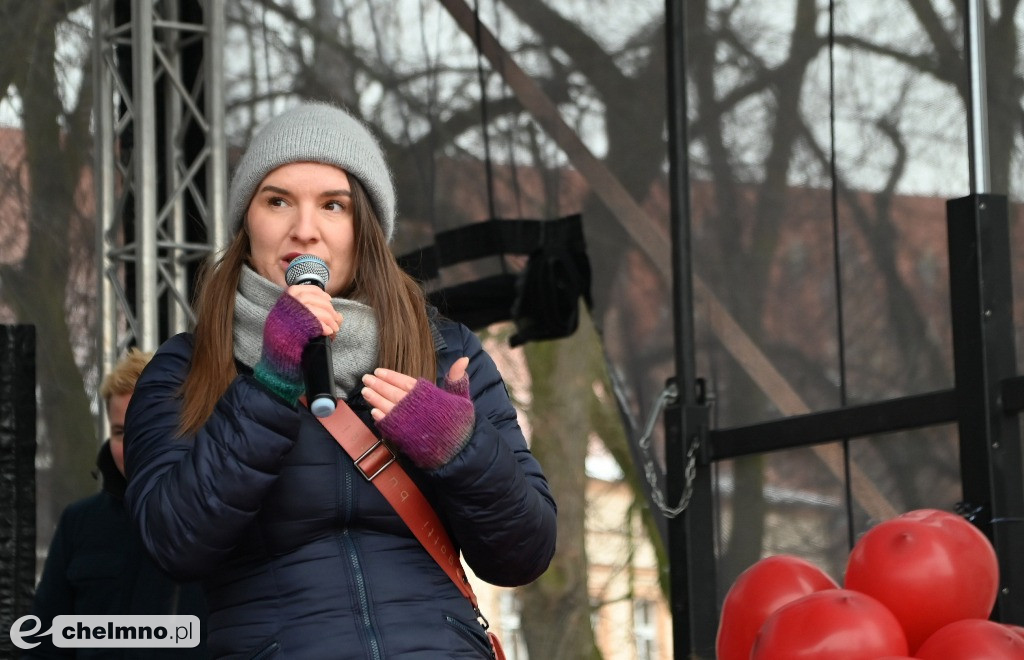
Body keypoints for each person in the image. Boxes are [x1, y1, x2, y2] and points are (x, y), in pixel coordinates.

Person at [123, 101, 557, 659]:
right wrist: (270, 383)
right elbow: (173, 543)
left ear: (366, 229)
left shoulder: (442, 350)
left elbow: (525, 553)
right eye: (277, 200)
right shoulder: (187, 368)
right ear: (246, 222)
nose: (304, 230)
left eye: (334, 205)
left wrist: (464, 451)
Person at [27, 348, 208, 659]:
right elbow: (44, 642)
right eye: (121, 431)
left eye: (145, 425)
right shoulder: (79, 524)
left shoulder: (222, 520)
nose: (133, 443)